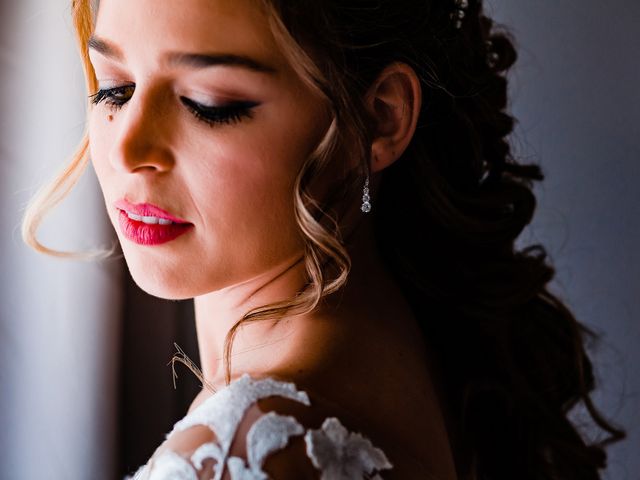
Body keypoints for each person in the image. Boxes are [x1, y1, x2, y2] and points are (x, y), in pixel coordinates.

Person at [21, 0, 626, 478]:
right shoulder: (420, 349)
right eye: (112, 88)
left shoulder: (247, 456)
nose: (128, 149)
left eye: (210, 104)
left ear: (380, 117)